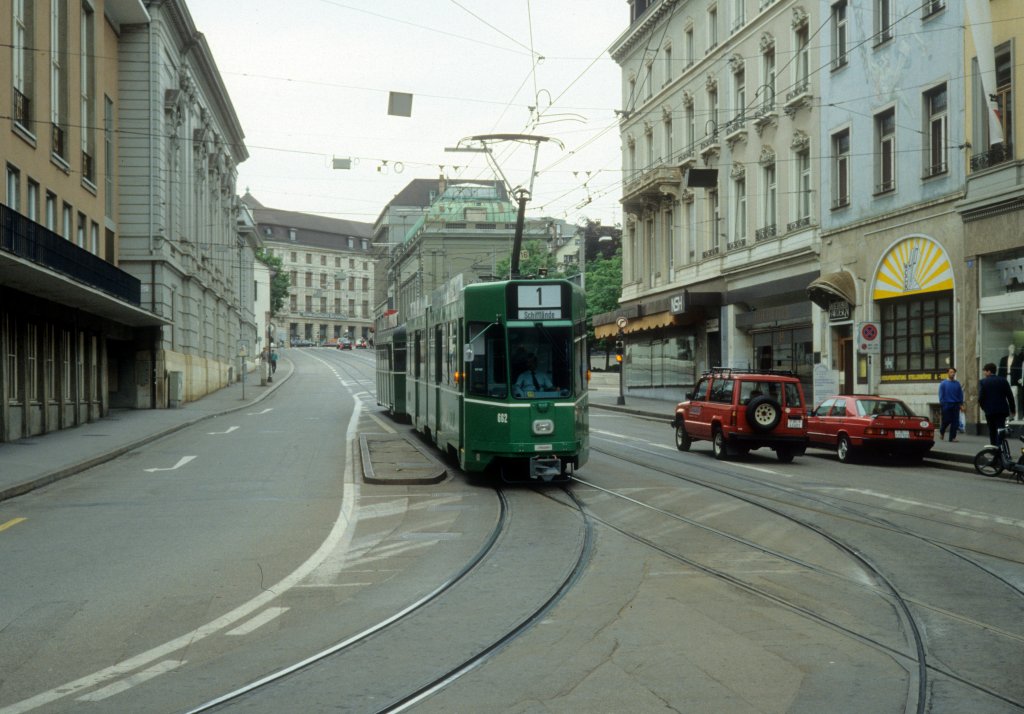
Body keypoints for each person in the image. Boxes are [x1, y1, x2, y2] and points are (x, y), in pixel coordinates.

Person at [979, 362, 1015, 446]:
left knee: (992, 430)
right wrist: (1012, 409)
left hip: (990, 411)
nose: (984, 373)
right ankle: (1000, 446)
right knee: (1001, 428)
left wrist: (984, 408)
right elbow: (1010, 396)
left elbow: (981, 398)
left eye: (985, 371)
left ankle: (993, 447)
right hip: (1002, 410)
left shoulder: (983, 382)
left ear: (989, 371)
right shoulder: (1003, 380)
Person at [937, 366, 964, 442]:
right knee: (946, 420)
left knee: (955, 422)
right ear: (948, 373)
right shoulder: (943, 383)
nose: (953, 374)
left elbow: (960, 395)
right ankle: (942, 431)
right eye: (951, 372)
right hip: (946, 404)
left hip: (956, 405)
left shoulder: (957, 383)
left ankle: (952, 437)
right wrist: (942, 404)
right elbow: (941, 395)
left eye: (954, 372)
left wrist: (961, 405)